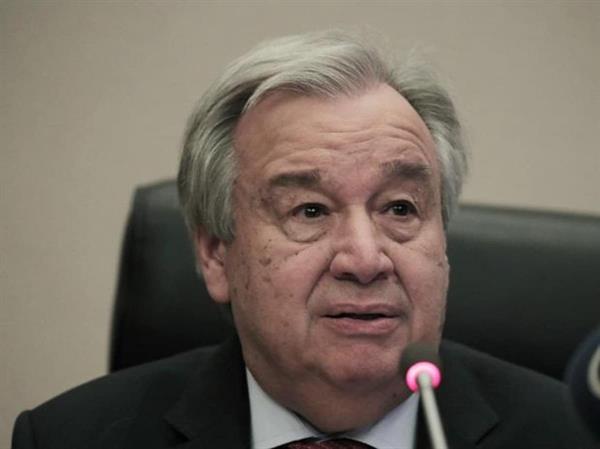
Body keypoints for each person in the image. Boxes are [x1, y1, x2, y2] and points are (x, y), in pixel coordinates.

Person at [12, 30, 592, 449]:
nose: (365, 259)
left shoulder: (576, 435)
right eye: (310, 210)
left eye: (400, 208)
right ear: (216, 254)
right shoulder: (71, 438)